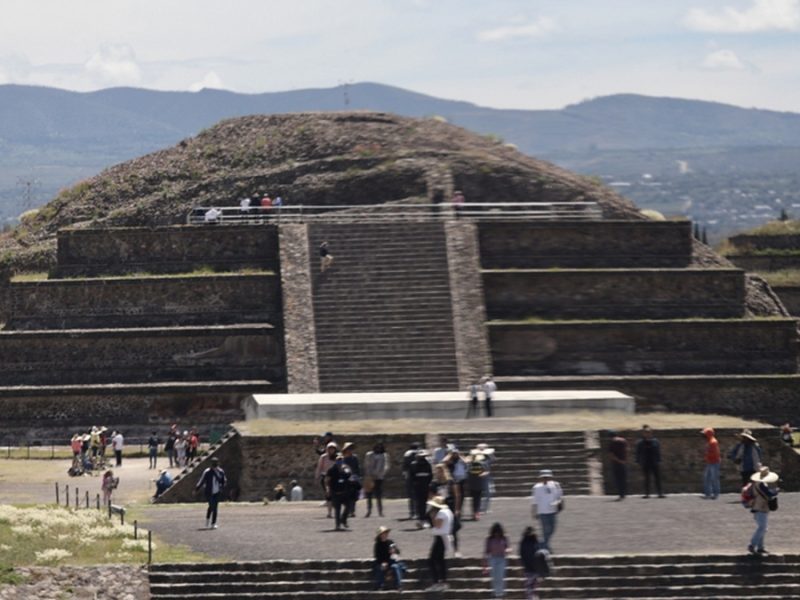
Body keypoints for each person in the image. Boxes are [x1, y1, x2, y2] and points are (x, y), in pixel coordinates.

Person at [430, 463, 462, 557]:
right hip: (438, 507)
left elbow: (457, 495)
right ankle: (441, 550)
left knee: (453, 530)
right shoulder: (434, 483)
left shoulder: (450, 482)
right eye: (437, 471)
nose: (439, 473)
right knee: (439, 529)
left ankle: (456, 550)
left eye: (441, 471)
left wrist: (457, 509)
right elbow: (431, 495)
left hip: (450, 506)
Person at [746, 466, 779, 555]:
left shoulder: (756, 484)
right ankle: (752, 544)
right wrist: (776, 491)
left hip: (757, 507)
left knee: (762, 527)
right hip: (761, 507)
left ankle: (760, 547)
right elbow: (768, 494)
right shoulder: (761, 484)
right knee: (762, 528)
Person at [531, 469, 563, 552]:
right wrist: (534, 511)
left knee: (552, 528)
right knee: (546, 530)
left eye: (547, 477)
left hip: (552, 511)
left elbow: (559, 497)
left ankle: (542, 544)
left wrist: (557, 502)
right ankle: (545, 546)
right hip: (542, 511)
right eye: (544, 477)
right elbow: (534, 501)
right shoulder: (537, 487)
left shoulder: (555, 485)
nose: (545, 479)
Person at [426, 496, 453, 592]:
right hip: (442, 538)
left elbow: (438, 525)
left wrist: (432, 516)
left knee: (432, 560)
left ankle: (437, 582)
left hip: (440, 538)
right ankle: (442, 582)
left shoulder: (441, 513)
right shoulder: (448, 511)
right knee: (439, 560)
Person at [519, 526, 551, 600]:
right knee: (533, 588)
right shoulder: (535, 542)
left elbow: (521, 555)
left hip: (532, 569)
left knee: (531, 588)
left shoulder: (524, 542)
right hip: (534, 569)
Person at [196, 457, 226, 529]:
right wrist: (197, 489)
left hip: (217, 492)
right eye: (213, 463)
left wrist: (222, 485)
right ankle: (208, 520)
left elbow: (224, 480)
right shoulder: (207, 472)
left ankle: (213, 523)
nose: (214, 465)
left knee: (214, 507)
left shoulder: (221, 471)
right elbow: (201, 481)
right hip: (209, 492)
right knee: (212, 506)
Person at [326, 452, 354, 531]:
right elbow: (327, 480)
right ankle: (337, 525)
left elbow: (350, 476)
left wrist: (345, 470)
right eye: (338, 460)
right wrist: (328, 489)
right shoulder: (331, 470)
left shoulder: (346, 469)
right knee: (337, 509)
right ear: (335, 460)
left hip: (345, 492)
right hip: (335, 492)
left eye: (341, 460)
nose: (339, 461)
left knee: (349, 507)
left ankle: (343, 519)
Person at [635, 425, 664, 498]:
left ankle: (660, 493)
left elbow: (658, 451)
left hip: (654, 462)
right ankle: (647, 494)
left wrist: (659, 460)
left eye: (649, 432)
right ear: (643, 433)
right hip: (645, 462)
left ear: (651, 433)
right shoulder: (640, 443)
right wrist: (638, 461)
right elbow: (638, 452)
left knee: (657, 478)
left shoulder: (655, 441)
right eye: (646, 432)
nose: (647, 433)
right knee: (646, 479)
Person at [373, 526, 404, 591]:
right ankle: (380, 585)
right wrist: (383, 563)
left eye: (386, 533)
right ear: (380, 535)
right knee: (379, 568)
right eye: (384, 533)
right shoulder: (378, 544)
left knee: (395, 567)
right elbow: (377, 556)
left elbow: (398, 552)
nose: (386, 534)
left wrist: (394, 551)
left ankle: (399, 585)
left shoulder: (390, 542)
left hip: (391, 562)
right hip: (382, 563)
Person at [484, 522, 509, 599]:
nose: (496, 534)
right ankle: (495, 592)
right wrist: (485, 561)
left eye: (498, 532)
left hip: (502, 558)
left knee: (501, 576)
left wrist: (508, 550)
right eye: (495, 532)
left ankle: (500, 593)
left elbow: (507, 547)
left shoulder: (504, 538)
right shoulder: (489, 539)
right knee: (494, 577)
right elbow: (487, 551)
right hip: (492, 558)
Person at [364, 442, 389, 518]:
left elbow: (386, 466)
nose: (378, 448)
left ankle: (380, 511)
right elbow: (366, 464)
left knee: (378, 496)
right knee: (369, 495)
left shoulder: (384, 456)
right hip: (370, 477)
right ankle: (369, 511)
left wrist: (380, 474)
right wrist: (370, 474)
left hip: (379, 478)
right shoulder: (369, 455)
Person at [410, 448, 433, 528]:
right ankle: (421, 518)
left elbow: (430, 476)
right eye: (421, 456)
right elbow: (411, 477)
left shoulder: (428, 464)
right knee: (419, 504)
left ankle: (425, 519)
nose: (423, 458)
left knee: (426, 504)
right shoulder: (413, 465)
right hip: (418, 488)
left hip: (426, 487)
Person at [316, 441, 338, 518]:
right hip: (326, 478)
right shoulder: (323, 457)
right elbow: (319, 467)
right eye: (330, 448)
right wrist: (317, 476)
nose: (331, 450)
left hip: (335, 478)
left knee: (336, 495)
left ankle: (337, 511)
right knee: (328, 495)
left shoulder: (337, 457)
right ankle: (329, 512)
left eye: (333, 449)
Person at [342, 442, 361, 517]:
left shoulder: (355, 458)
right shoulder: (343, 459)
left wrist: (358, 477)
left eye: (351, 449)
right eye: (348, 449)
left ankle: (352, 511)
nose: (350, 450)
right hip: (346, 479)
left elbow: (357, 468)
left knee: (354, 496)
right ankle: (348, 510)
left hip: (354, 478)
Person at [402, 442, 420, 519]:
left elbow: (404, 467)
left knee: (412, 496)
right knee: (419, 496)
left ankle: (412, 513)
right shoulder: (420, 453)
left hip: (410, 477)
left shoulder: (407, 454)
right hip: (419, 477)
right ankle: (418, 512)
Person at [467, 452, 488, 520]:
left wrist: (482, 474)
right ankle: (475, 513)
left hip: (477, 484)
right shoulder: (470, 465)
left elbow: (486, 471)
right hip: (474, 484)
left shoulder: (481, 464)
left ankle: (476, 513)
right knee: (475, 499)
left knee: (477, 499)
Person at [702, 427, 721, 500]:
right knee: (707, 478)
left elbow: (715, 453)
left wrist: (708, 455)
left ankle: (715, 494)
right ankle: (708, 493)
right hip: (710, 462)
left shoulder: (713, 442)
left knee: (714, 478)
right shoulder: (710, 441)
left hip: (714, 462)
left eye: (704, 434)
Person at [608, 431, 628, 500]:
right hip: (623, 462)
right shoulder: (624, 441)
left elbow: (611, 455)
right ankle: (624, 493)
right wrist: (624, 460)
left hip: (616, 464)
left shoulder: (612, 443)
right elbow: (626, 450)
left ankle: (621, 494)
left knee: (618, 479)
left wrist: (619, 461)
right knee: (623, 479)